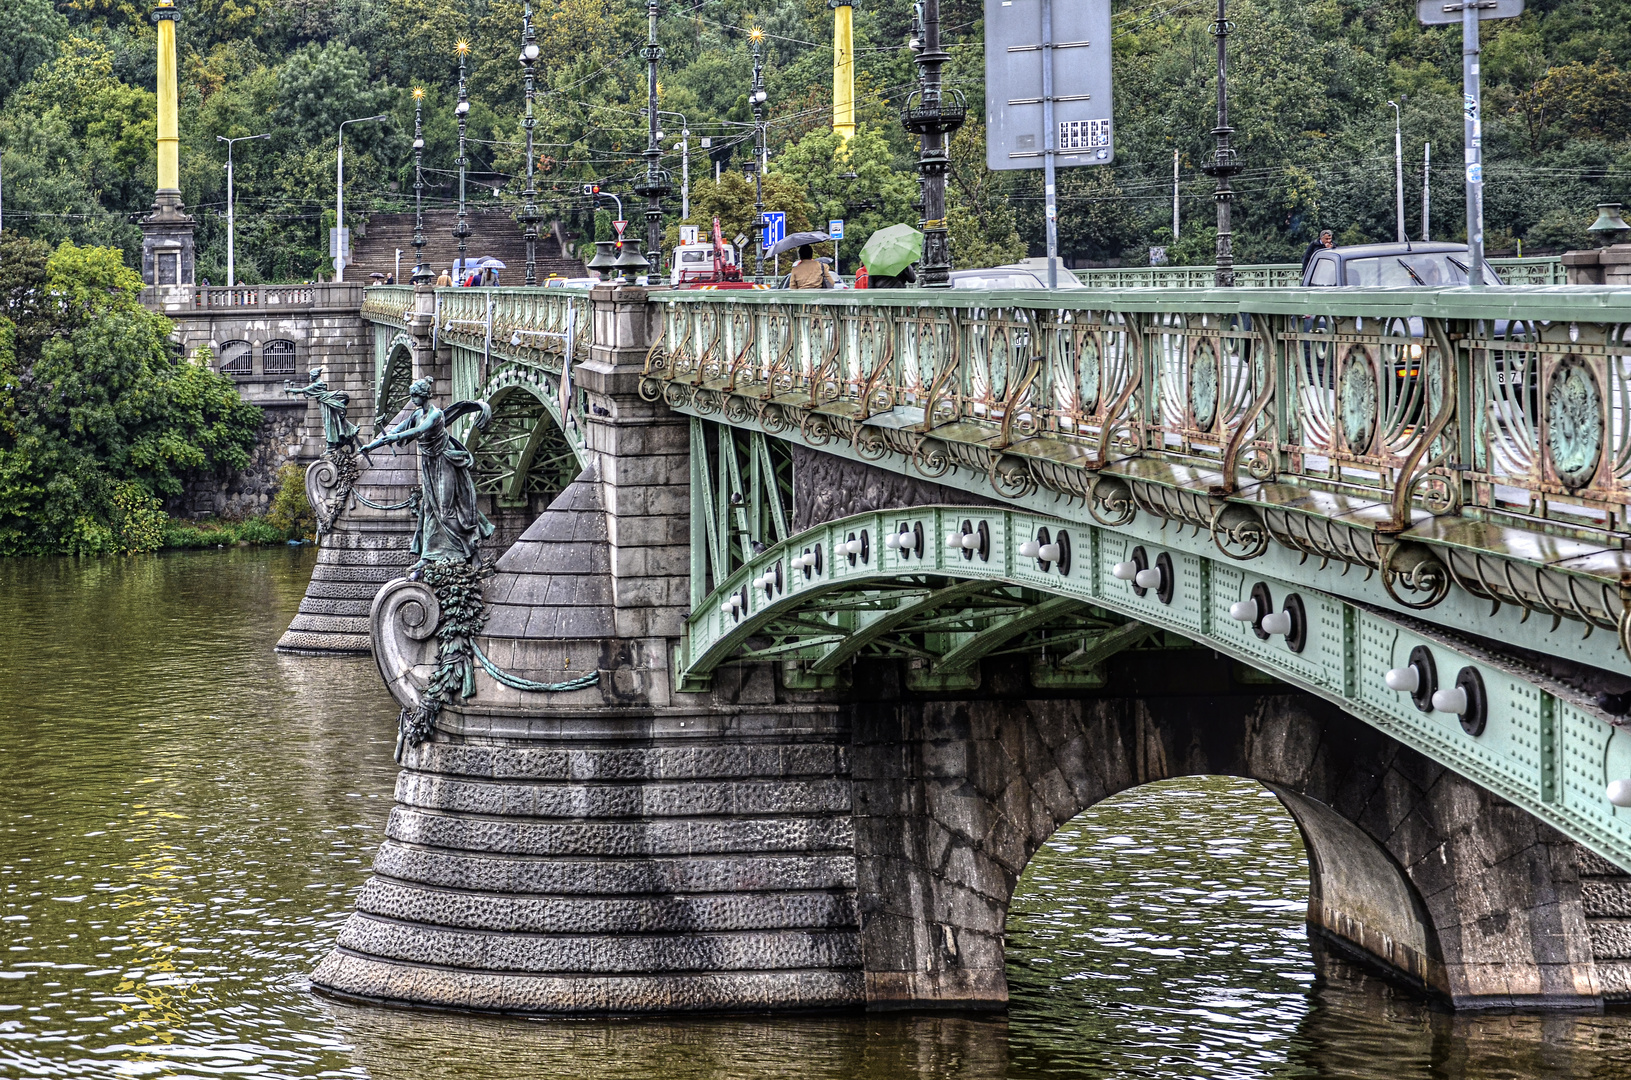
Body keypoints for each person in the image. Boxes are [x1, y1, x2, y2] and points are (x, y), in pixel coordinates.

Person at [359, 378, 494, 568]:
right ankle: (427, 557)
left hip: (444, 462)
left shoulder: (435, 414)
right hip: (429, 465)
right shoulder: (416, 414)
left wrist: (395, 437)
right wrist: (370, 446)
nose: (412, 399)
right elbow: (393, 432)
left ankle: (473, 553)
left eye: (415, 395)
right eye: (411, 395)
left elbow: (417, 431)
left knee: (446, 512)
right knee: (429, 510)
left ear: (424, 395)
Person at [284, 367, 359, 452]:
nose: (309, 378)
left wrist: (289, 389)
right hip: (326, 407)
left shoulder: (316, 385)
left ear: (314, 376)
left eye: (310, 376)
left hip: (326, 409)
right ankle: (336, 443)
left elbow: (303, 390)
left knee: (329, 425)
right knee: (333, 424)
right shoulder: (320, 384)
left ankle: (330, 446)